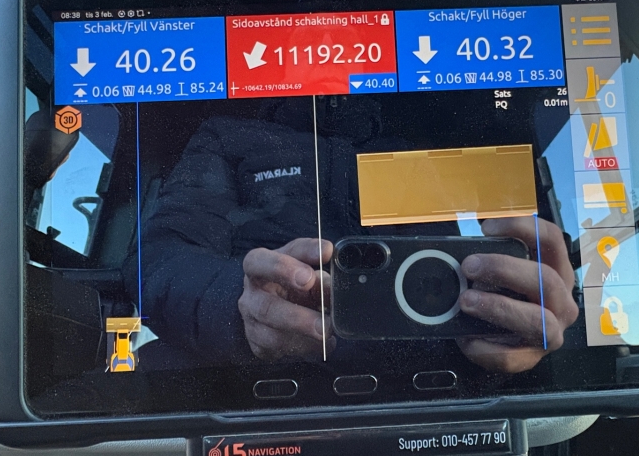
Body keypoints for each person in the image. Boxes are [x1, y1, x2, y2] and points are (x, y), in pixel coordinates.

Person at [129, 94, 578, 373]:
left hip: (443, 390)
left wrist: (531, 315)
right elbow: (160, 257)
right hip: (254, 389)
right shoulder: (228, 136)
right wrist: (240, 306)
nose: (329, 41)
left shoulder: (434, 140)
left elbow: (511, 257)